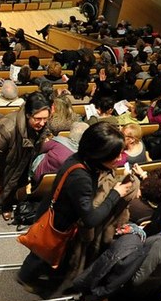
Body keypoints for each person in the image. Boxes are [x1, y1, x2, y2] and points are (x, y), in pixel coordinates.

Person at [16, 121, 134, 291]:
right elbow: (90, 219)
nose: (119, 159)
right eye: (115, 155)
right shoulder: (81, 177)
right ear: (100, 154)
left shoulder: (83, 159)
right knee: (42, 250)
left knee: (47, 251)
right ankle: (25, 277)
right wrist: (115, 194)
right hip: (57, 220)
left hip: (59, 212)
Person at [0, 93, 52, 221]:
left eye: (45, 119)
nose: (42, 123)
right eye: (38, 119)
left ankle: (7, 206)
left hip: (23, 159)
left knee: (15, 183)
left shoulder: (41, 124)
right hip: (3, 160)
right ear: (28, 115)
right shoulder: (8, 127)